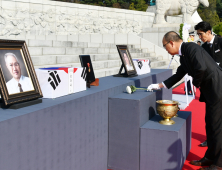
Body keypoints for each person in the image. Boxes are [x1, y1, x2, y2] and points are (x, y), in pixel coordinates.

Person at [147, 31, 222, 170]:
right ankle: (210, 157)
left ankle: (218, 165)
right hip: (211, 90)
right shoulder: (184, 56)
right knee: (210, 125)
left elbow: (201, 68)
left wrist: (196, 83)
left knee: (217, 127)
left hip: (217, 88)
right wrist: (159, 85)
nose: (166, 49)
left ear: (171, 42)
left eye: (165, 46)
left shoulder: (191, 48)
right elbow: (178, 75)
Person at [195, 21, 222, 147]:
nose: (200, 37)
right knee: (210, 117)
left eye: (201, 34)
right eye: (198, 35)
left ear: (209, 32)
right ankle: (210, 140)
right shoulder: (204, 48)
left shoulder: (220, 42)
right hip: (210, 88)